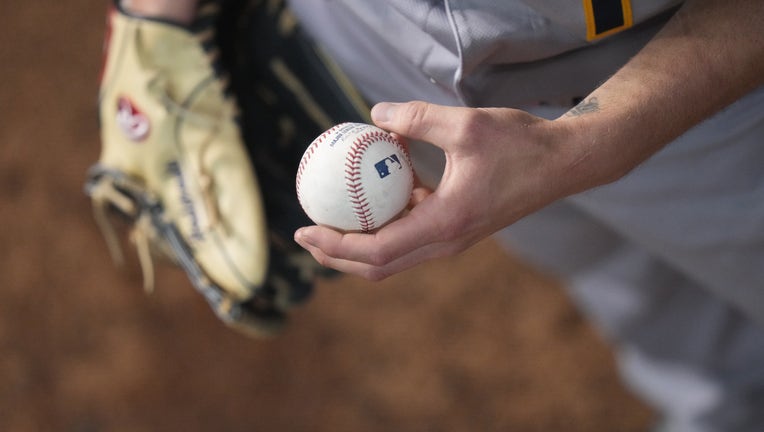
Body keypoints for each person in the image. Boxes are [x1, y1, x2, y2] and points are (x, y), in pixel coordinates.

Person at [95, 0, 764, 430]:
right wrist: (158, 22)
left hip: (682, 79)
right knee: (623, 281)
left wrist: (581, 146)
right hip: (369, 41)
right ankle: (721, 404)